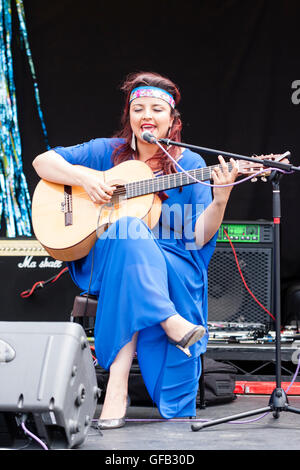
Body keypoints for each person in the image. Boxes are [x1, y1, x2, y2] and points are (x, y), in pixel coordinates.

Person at [32, 71, 239, 429]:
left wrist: (220, 200)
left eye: (156, 109)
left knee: (130, 229)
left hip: (173, 261)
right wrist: (87, 178)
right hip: (106, 256)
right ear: (129, 116)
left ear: (172, 120)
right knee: (128, 230)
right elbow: (42, 162)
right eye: (138, 107)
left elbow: (199, 237)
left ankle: (117, 384)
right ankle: (169, 321)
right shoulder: (107, 152)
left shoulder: (189, 165)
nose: (146, 115)